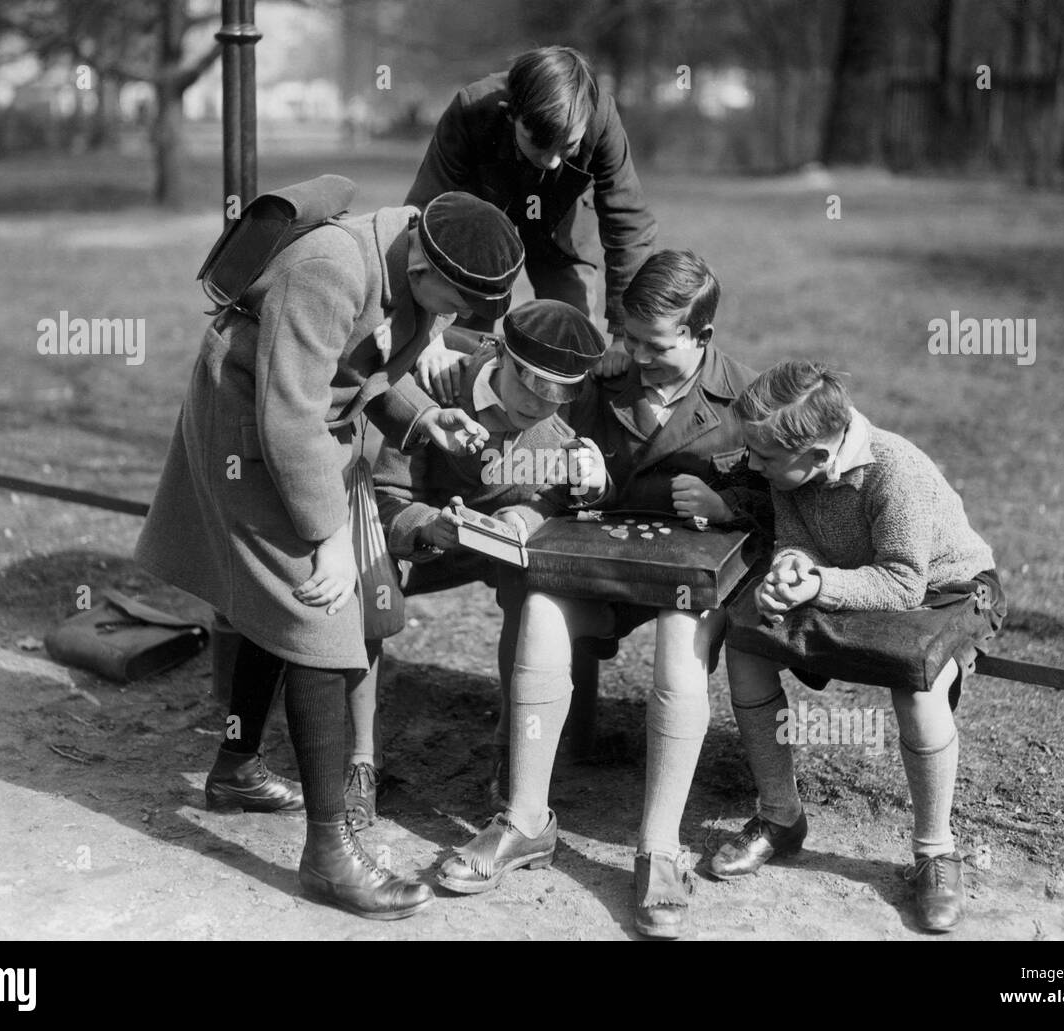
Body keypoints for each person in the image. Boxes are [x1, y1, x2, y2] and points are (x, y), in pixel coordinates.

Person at [134, 188, 525, 921]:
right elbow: (288, 413)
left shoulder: (408, 267)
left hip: (309, 428)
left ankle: (237, 767)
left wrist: (425, 417)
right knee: (323, 610)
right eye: (458, 303)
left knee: (279, 600)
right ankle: (328, 855)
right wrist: (329, 538)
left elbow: (365, 369)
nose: (457, 320)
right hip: (250, 429)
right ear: (425, 262)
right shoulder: (331, 270)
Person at [435, 249, 773, 939]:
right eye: (628, 336)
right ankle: (526, 819)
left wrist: (728, 503)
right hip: (601, 565)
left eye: (656, 344)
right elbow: (524, 469)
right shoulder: (602, 380)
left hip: (690, 581)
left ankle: (659, 845)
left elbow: (782, 505)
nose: (637, 354)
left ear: (702, 338)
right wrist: (568, 477)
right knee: (540, 610)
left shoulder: (746, 397)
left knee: (681, 642)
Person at [718, 360, 1006, 933]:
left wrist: (818, 584)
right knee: (746, 640)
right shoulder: (789, 471)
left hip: (945, 593)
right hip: (857, 582)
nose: (752, 465)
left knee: (917, 684)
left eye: (765, 458)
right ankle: (780, 817)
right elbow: (797, 537)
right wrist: (788, 570)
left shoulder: (895, 471)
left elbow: (902, 583)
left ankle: (935, 853)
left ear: (821, 457)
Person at [339, 300, 608, 827]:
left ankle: (512, 751)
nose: (539, 405)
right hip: (421, 536)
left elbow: (559, 495)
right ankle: (360, 760)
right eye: (529, 385)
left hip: (500, 546)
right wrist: (430, 527)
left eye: (558, 395)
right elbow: (388, 494)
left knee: (538, 595)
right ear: (498, 353)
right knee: (366, 588)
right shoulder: (438, 384)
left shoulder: (559, 415)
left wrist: (523, 518)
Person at [406, 45, 656, 352]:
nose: (551, 161)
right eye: (537, 144)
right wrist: (422, 330)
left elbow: (629, 224)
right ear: (511, 113)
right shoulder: (470, 109)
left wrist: (624, 335)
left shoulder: (601, 118)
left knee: (572, 338)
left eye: (568, 147)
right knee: (460, 336)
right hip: (479, 234)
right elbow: (424, 211)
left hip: (561, 231)